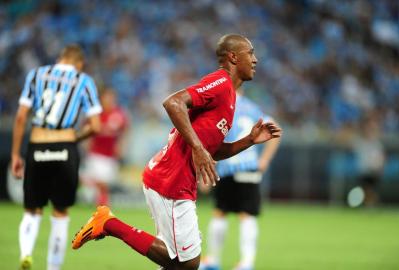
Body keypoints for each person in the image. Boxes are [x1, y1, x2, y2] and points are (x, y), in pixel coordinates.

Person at [71, 34, 281, 270]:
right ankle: (109, 224)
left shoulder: (230, 96)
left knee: (174, 263)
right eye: (250, 53)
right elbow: (173, 103)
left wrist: (249, 141)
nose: (255, 60)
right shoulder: (221, 83)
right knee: (187, 264)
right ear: (233, 57)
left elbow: (212, 149)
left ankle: (108, 223)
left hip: (174, 178)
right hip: (171, 179)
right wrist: (198, 148)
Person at [11, 44, 102, 270]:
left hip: (38, 143)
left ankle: (26, 253)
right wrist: (75, 138)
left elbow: (21, 117)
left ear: (60, 58)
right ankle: (53, 267)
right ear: (79, 63)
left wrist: (15, 154)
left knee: (33, 209)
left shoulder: (36, 75)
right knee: (60, 211)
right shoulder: (84, 81)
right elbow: (96, 126)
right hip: (65, 146)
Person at [199, 90, 281, 270]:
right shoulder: (253, 108)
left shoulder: (222, 108)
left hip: (227, 165)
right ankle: (246, 262)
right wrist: (264, 160)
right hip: (248, 167)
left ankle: (213, 259)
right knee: (247, 214)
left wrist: (204, 171)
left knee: (220, 212)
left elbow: (211, 139)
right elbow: (275, 129)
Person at [81, 88, 129, 206]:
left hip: (111, 155)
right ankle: (103, 205)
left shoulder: (119, 113)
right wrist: (86, 144)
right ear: (101, 99)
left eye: (112, 97)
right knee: (101, 183)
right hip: (96, 153)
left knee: (104, 183)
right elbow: (85, 129)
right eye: (107, 97)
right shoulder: (95, 114)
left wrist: (121, 146)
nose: (109, 100)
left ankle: (100, 205)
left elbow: (125, 131)